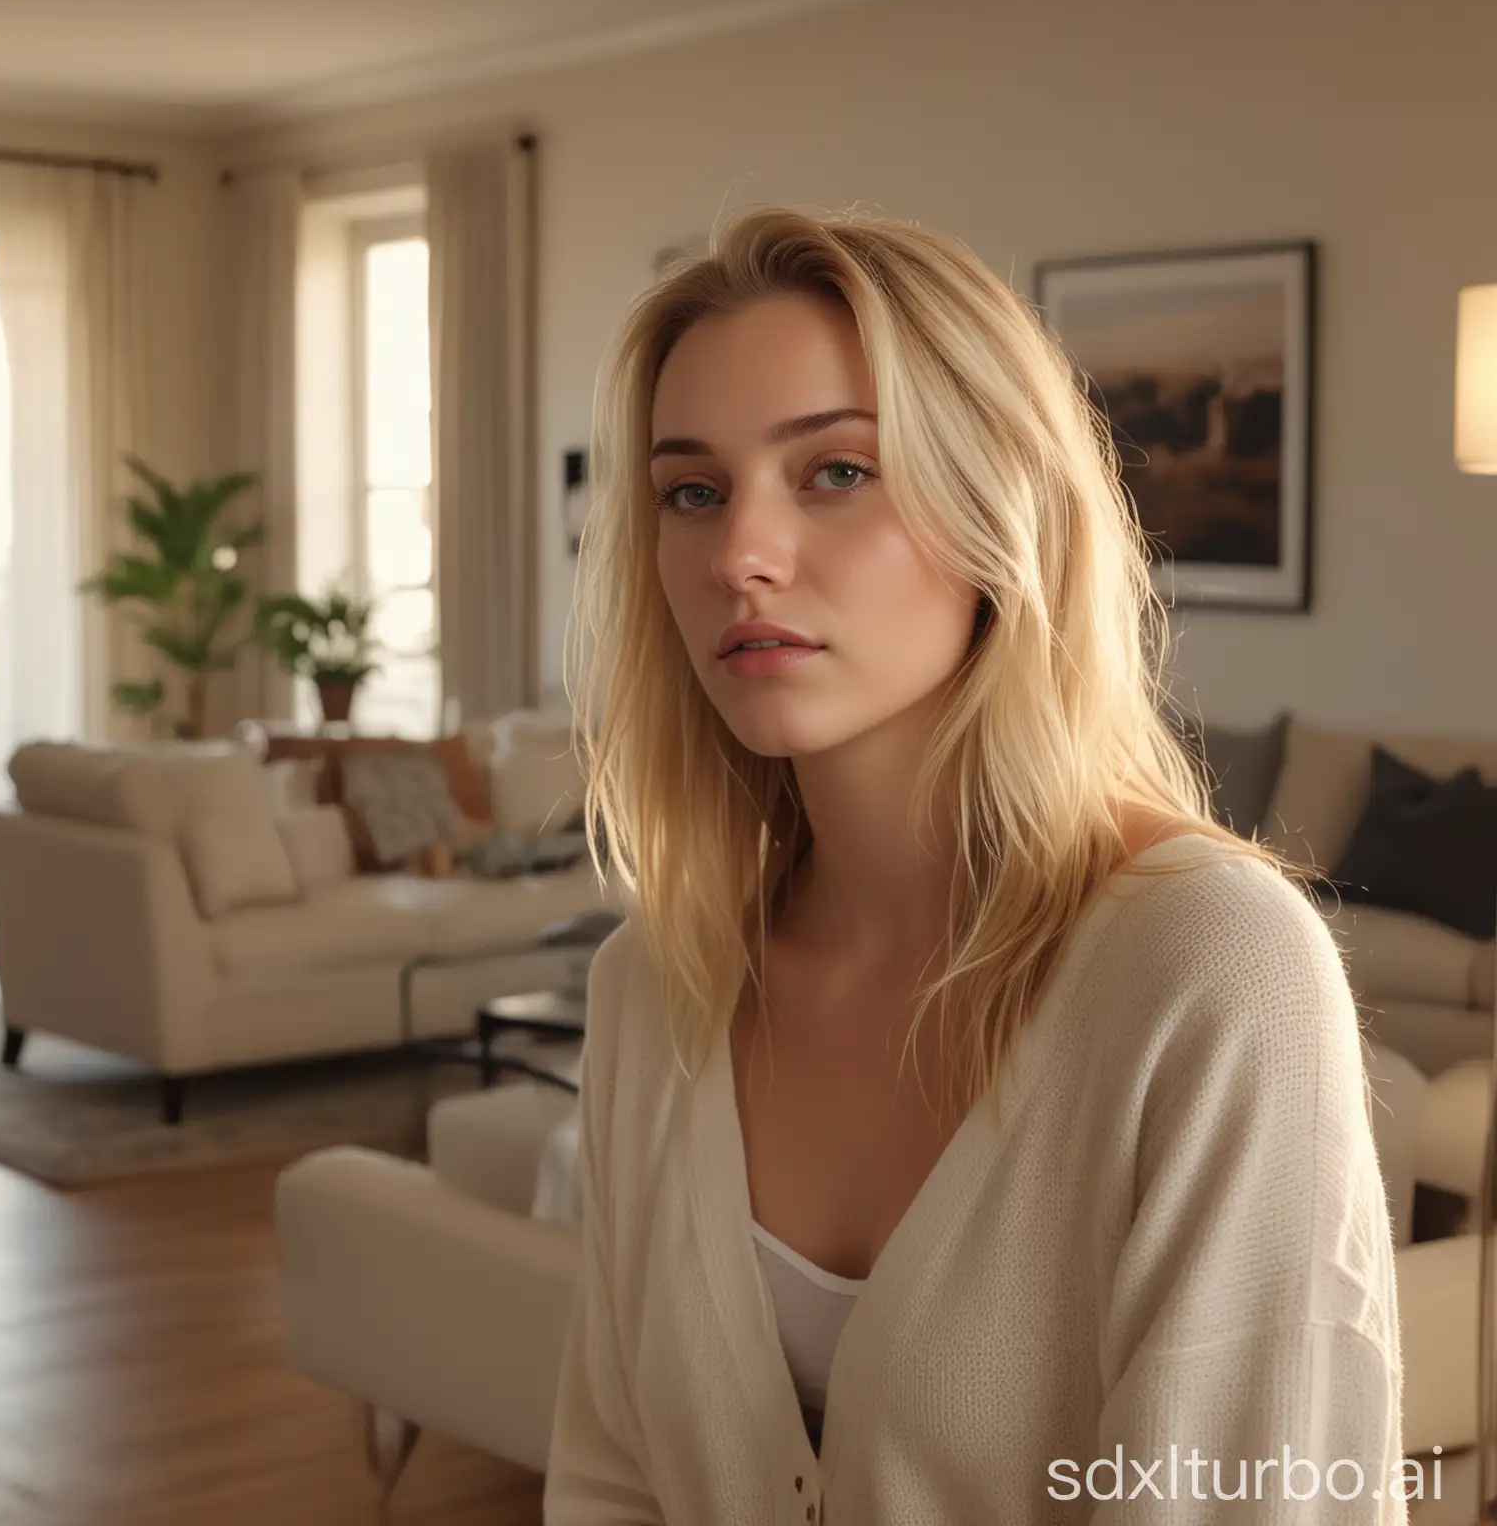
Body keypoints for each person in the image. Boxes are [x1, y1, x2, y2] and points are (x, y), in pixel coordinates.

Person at [544, 205, 1403, 1524]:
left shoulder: (1211, 974)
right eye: (692, 492)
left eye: (835, 471)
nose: (740, 557)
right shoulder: (654, 993)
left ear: (1000, 504)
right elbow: (606, 1483)